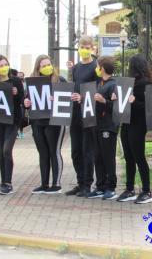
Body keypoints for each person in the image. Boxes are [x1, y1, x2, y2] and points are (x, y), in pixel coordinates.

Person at [24, 55, 66, 194]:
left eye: (49, 64)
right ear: (38, 68)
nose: (47, 67)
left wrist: (58, 98)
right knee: (43, 153)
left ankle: (56, 184)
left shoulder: (60, 80)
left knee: (54, 151)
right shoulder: (32, 82)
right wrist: (26, 103)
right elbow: (27, 99)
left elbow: (68, 98)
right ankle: (44, 184)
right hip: (37, 122)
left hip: (54, 122)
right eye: (43, 65)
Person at [116, 54, 152, 204]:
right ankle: (129, 188)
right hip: (127, 122)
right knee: (128, 157)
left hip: (138, 124)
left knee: (139, 156)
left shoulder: (145, 84)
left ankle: (147, 190)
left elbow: (149, 107)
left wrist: (135, 101)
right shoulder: (129, 83)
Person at [66, 35, 99, 197]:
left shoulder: (96, 67)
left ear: (93, 48)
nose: (84, 49)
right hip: (75, 115)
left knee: (88, 151)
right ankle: (80, 183)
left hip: (90, 115)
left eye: (87, 46)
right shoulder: (76, 67)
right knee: (76, 151)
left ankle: (87, 184)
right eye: (82, 46)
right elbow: (74, 86)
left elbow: (99, 90)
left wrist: (83, 97)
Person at [87, 56, 119, 200]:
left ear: (103, 68)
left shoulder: (114, 85)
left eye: (98, 66)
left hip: (108, 126)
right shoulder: (99, 83)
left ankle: (111, 187)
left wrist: (104, 101)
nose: (96, 69)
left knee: (108, 157)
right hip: (97, 125)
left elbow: (118, 107)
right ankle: (100, 186)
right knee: (98, 156)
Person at [0, 54, 24, 195]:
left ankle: (8, 182)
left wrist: (16, 94)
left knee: (6, 150)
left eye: (6, 64)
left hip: (12, 120)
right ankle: (4, 181)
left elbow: (23, 99)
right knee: (0, 152)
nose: (4, 67)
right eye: (1, 65)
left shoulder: (15, 81)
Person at [17, 71, 26, 139]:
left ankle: (21, 131)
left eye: (21, 76)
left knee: (22, 117)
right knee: (16, 118)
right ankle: (16, 132)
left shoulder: (25, 84)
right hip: (16, 103)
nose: (20, 78)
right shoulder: (14, 84)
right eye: (18, 76)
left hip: (23, 103)